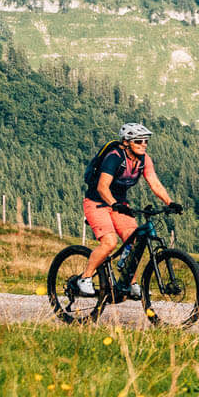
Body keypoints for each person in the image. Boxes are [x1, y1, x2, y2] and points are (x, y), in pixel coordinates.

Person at [73, 122, 179, 297]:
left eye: (145, 141)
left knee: (135, 241)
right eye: (138, 141)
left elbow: (154, 183)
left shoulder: (144, 160)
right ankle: (85, 278)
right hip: (97, 202)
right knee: (109, 242)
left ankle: (130, 282)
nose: (143, 145)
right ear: (127, 142)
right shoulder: (114, 157)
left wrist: (170, 202)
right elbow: (102, 187)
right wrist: (114, 204)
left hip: (119, 204)